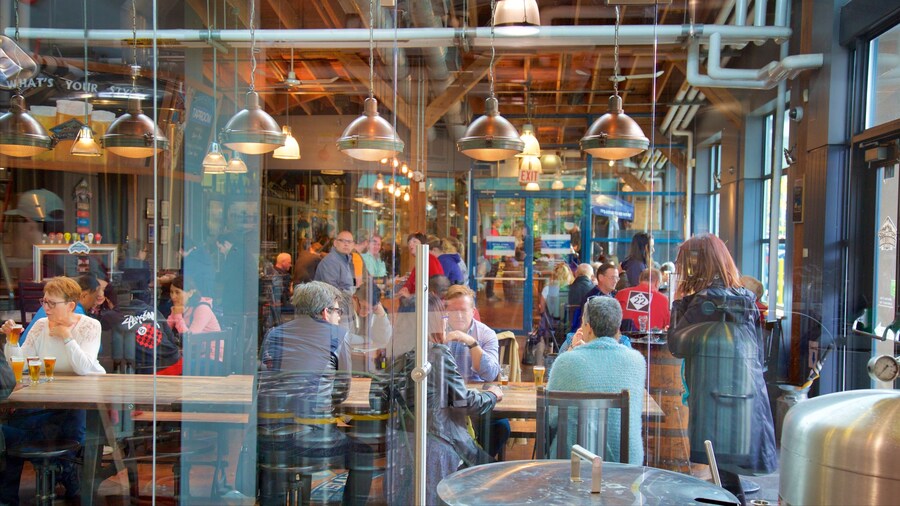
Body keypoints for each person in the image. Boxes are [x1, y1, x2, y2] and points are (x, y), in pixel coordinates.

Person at [668, 233, 777, 497]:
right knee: (725, 472)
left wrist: (678, 302)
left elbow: (678, 345)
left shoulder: (706, 300)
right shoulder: (742, 297)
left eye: (687, 263)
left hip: (714, 397)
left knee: (722, 473)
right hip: (742, 394)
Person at [1, 277, 105, 503]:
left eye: (51, 303)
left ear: (70, 305)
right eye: (43, 302)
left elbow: (84, 368)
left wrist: (67, 337)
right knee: (7, 436)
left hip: (77, 403)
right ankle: (9, 499)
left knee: (62, 429)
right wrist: (12, 341)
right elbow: (21, 364)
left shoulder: (89, 325)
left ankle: (66, 475)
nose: (45, 308)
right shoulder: (40, 326)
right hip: (43, 403)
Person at [396, 294, 503, 505]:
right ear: (434, 320)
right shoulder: (436, 353)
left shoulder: (397, 353)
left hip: (405, 441)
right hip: (441, 441)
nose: (448, 318)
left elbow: (378, 399)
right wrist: (492, 395)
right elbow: (461, 402)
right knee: (497, 471)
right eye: (444, 314)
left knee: (498, 431)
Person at [547, 296, 646, 464]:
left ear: (588, 327)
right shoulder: (636, 361)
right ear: (617, 328)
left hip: (573, 463)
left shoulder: (567, 361)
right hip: (626, 465)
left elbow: (551, 417)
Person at [18, 273, 102, 344]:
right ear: (84, 296)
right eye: (95, 297)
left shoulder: (90, 323)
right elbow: (98, 349)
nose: (46, 308)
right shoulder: (76, 311)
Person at [396, 233, 444, 300]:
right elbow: (410, 282)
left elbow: (435, 289)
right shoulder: (420, 260)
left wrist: (410, 296)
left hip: (429, 305)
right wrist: (405, 288)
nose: (410, 244)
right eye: (409, 242)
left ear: (423, 244)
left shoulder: (430, 260)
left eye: (414, 241)